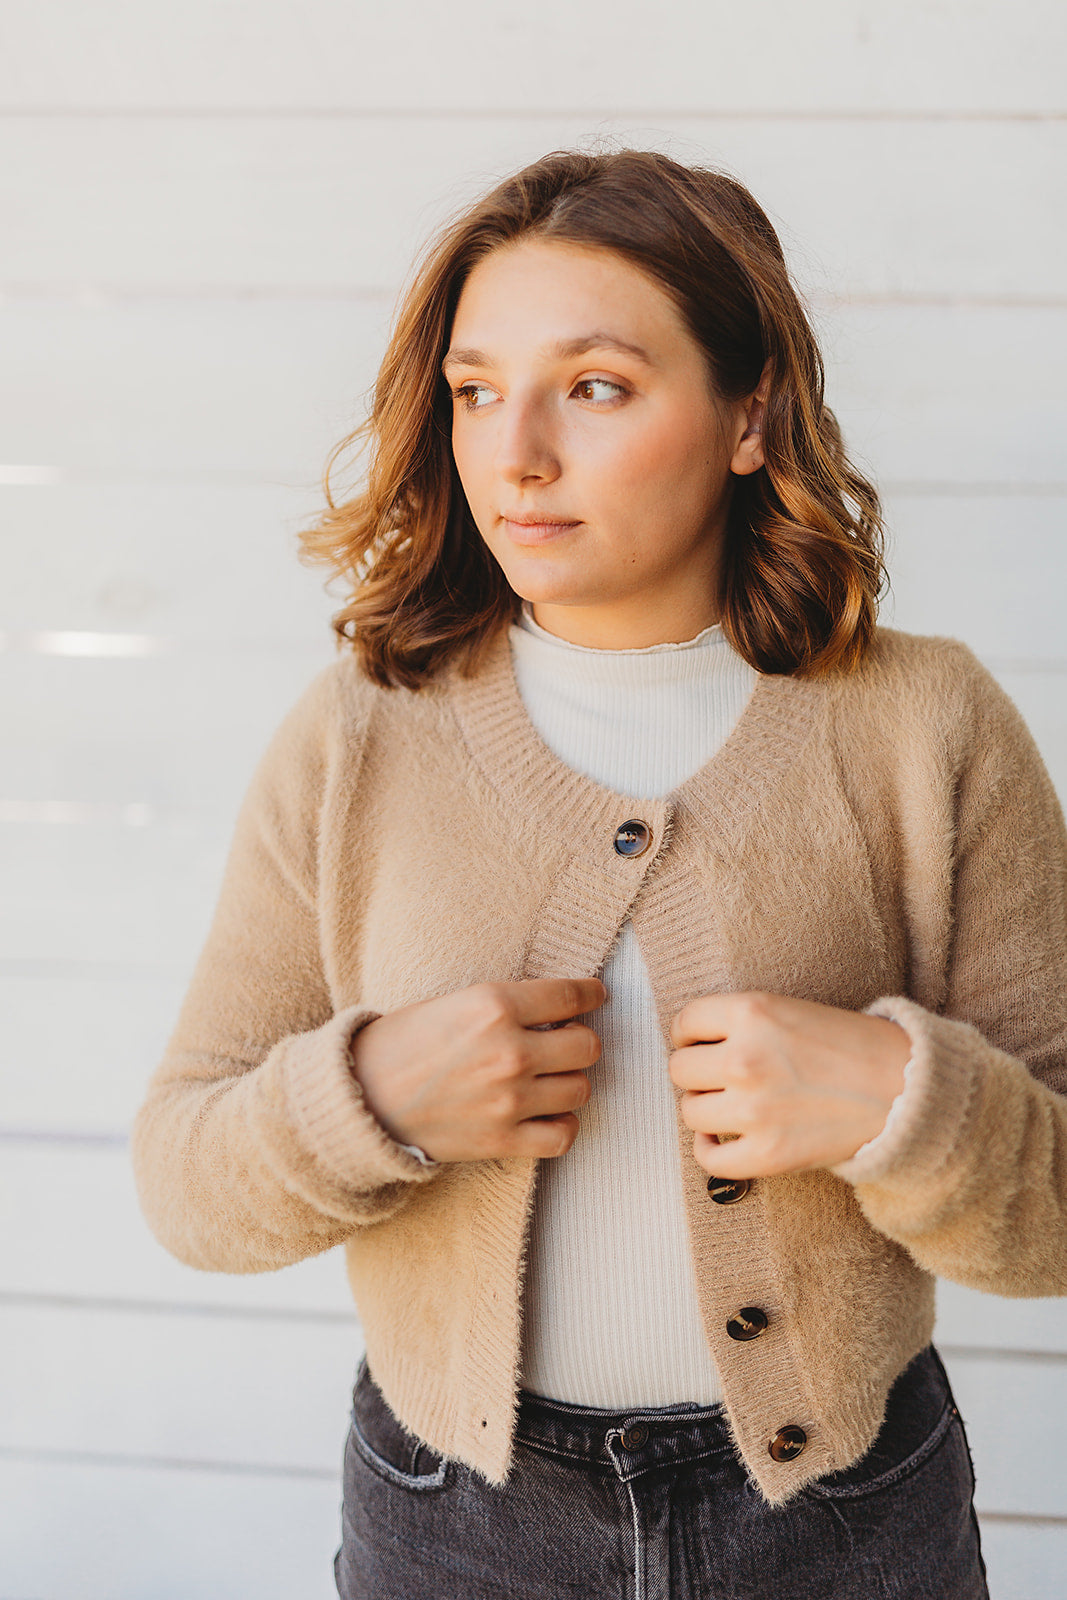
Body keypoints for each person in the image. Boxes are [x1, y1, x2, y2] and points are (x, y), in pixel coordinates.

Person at [130, 148, 1067, 1600]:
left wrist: (901, 1100)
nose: (515, 457)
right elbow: (184, 1181)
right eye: (477, 391)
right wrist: (372, 1095)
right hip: (454, 1523)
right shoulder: (357, 737)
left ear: (749, 414)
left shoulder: (927, 726)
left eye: (598, 387)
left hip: (846, 1523)